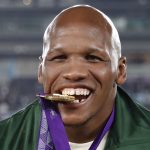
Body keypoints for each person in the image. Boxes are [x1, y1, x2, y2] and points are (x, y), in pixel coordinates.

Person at [0, 4, 150, 150]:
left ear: (120, 70)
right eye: (59, 57)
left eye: (93, 58)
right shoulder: (5, 139)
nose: (74, 73)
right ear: (41, 71)